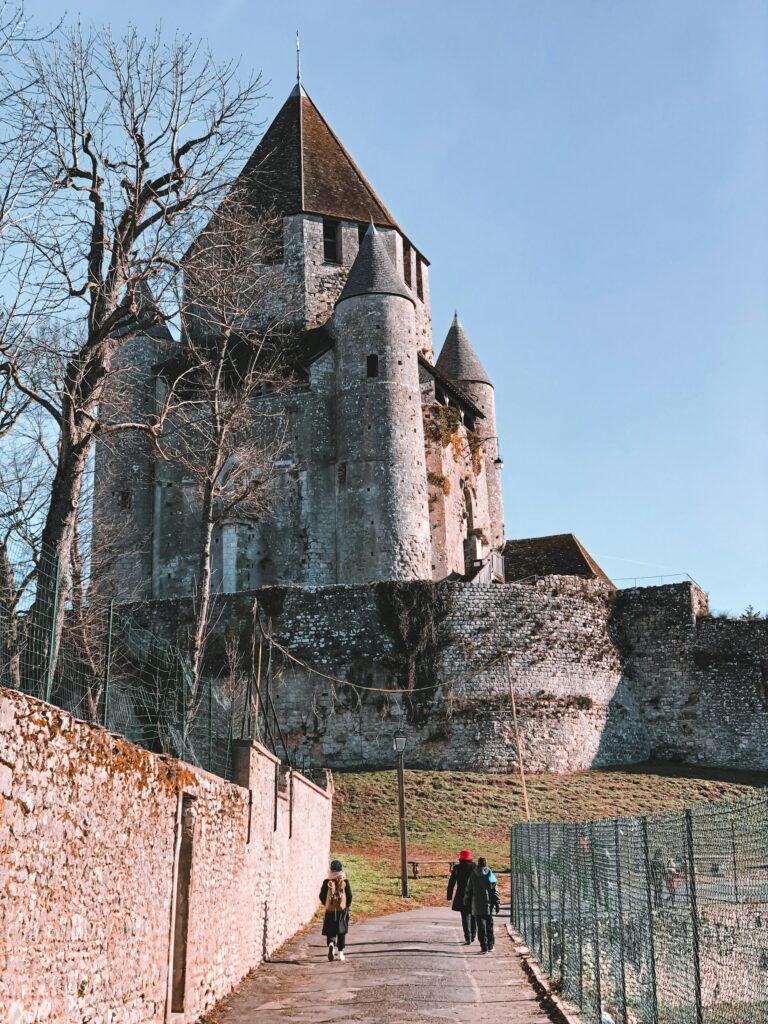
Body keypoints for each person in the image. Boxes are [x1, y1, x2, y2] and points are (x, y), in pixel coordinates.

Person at [463, 856, 501, 953]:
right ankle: (490, 945)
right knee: (489, 925)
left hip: (476, 903)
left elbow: (468, 889)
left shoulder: (473, 875)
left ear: (478, 864)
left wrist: (466, 900)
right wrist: (497, 902)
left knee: (480, 926)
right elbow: (495, 889)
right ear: (486, 864)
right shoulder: (490, 874)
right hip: (488, 903)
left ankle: (483, 947)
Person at [319, 859, 352, 962]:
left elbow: (322, 896)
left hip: (330, 911)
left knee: (331, 930)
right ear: (341, 869)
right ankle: (341, 952)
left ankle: (331, 944)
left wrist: (328, 905)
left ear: (331, 869)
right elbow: (349, 896)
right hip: (342, 911)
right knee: (341, 931)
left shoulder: (327, 882)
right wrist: (346, 906)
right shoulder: (345, 882)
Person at [447, 849, 477, 944]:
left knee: (465, 916)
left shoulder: (457, 868)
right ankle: (473, 935)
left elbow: (451, 883)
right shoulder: (475, 867)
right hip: (473, 894)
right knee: (473, 915)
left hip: (461, 894)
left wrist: (449, 896)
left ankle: (467, 937)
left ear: (461, 858)